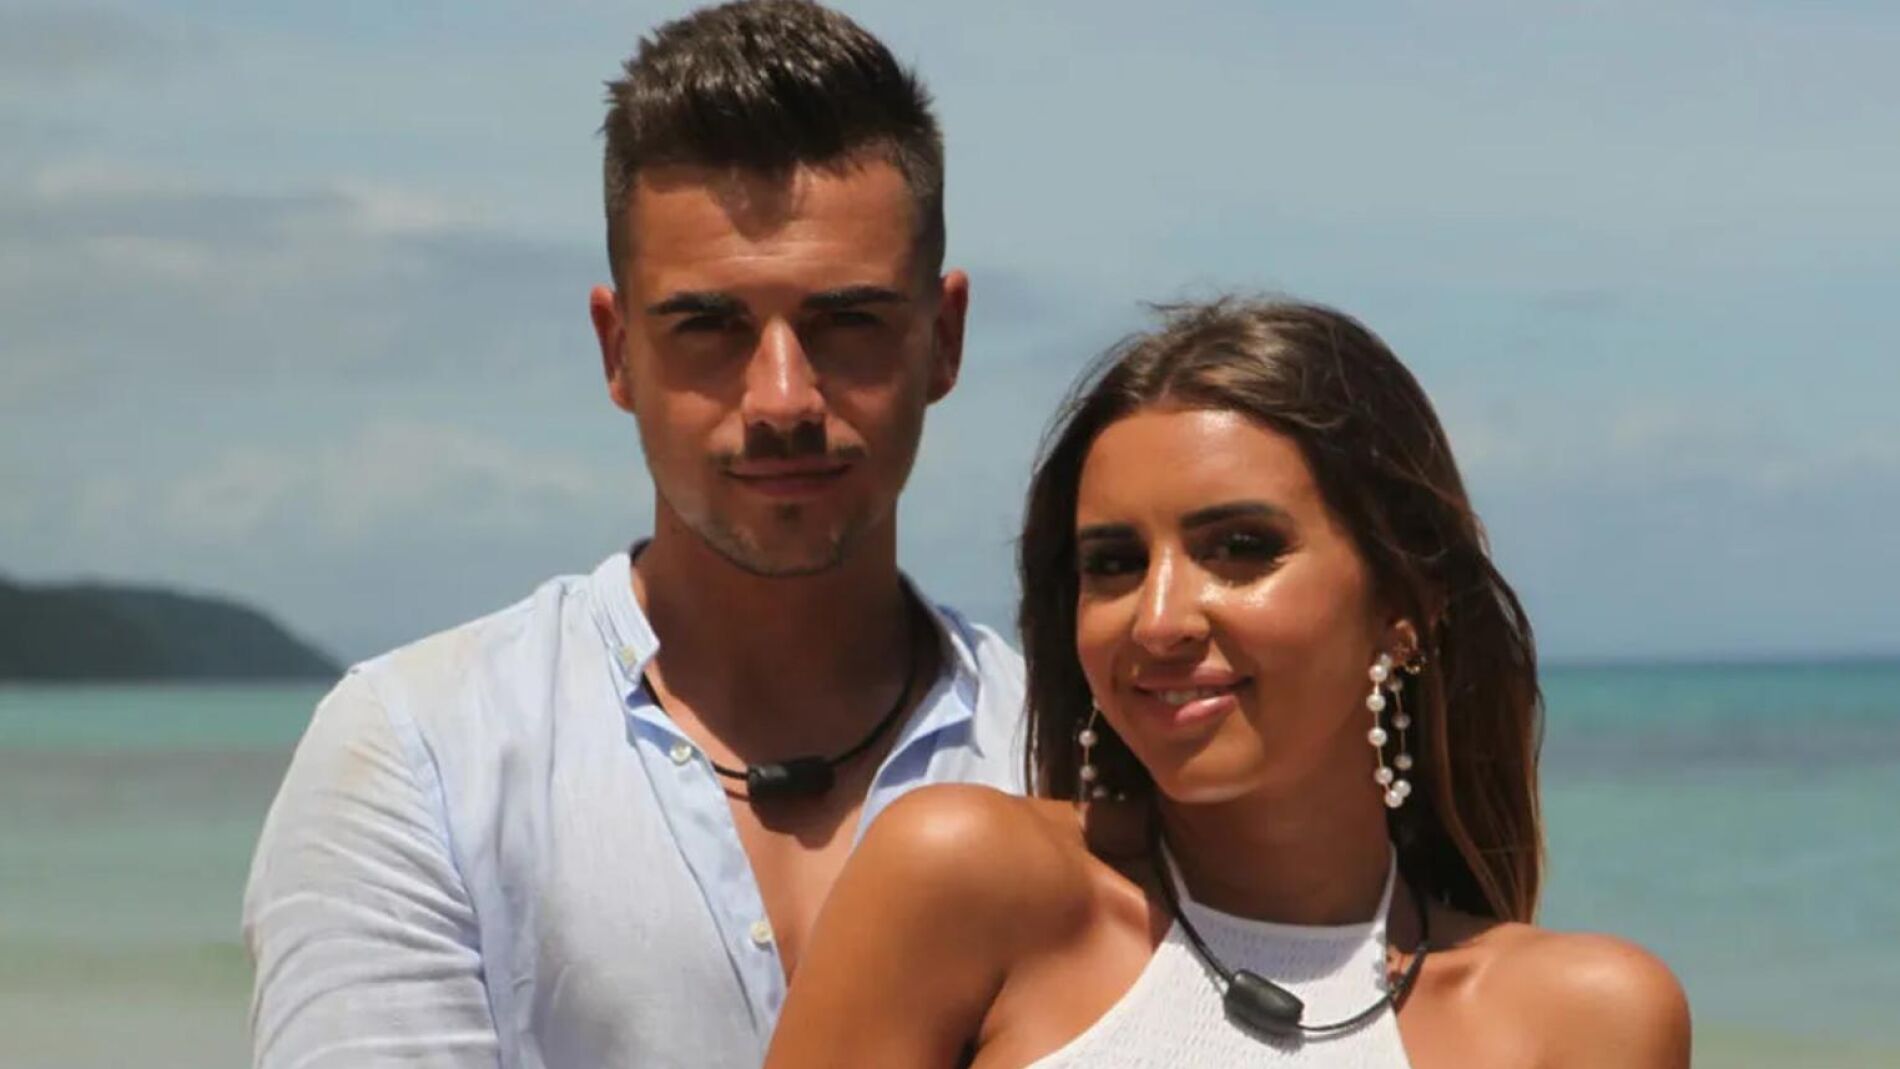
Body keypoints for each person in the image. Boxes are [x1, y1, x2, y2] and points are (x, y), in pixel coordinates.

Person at [242, 2, 1026, 1065]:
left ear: (946, 338)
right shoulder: (423, 754)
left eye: (848, 320)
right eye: (709, 326)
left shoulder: (1066, 758)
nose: (782, 397)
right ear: (617, 351)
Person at [764, 298, 1693, 1068]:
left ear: (1404, 602)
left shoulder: (1586, 1019)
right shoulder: (964, 880)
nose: (1159, 618)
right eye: (1115, 563)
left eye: (1241, 548)